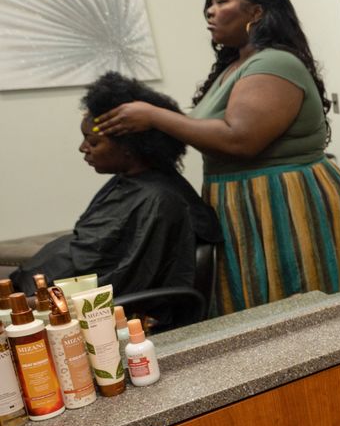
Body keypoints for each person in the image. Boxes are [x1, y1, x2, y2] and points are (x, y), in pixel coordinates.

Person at [95, 0, 340, 314]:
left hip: (286, 200)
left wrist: (154, 116)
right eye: (209, 3)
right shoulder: (235, 66)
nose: (209, 10)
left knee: (298, 307)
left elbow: (240, 140)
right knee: (255, 305)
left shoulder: (275, 62)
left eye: (222, 1)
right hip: (241, 199)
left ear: (257, 12)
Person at [12, 72, 221, 324]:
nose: (83, 148)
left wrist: (41, 301)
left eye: (93, 141)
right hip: (51, 290)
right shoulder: (129, 182)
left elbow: (125, 280)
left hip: (95, 309)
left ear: (129, 147)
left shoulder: (159, 201)